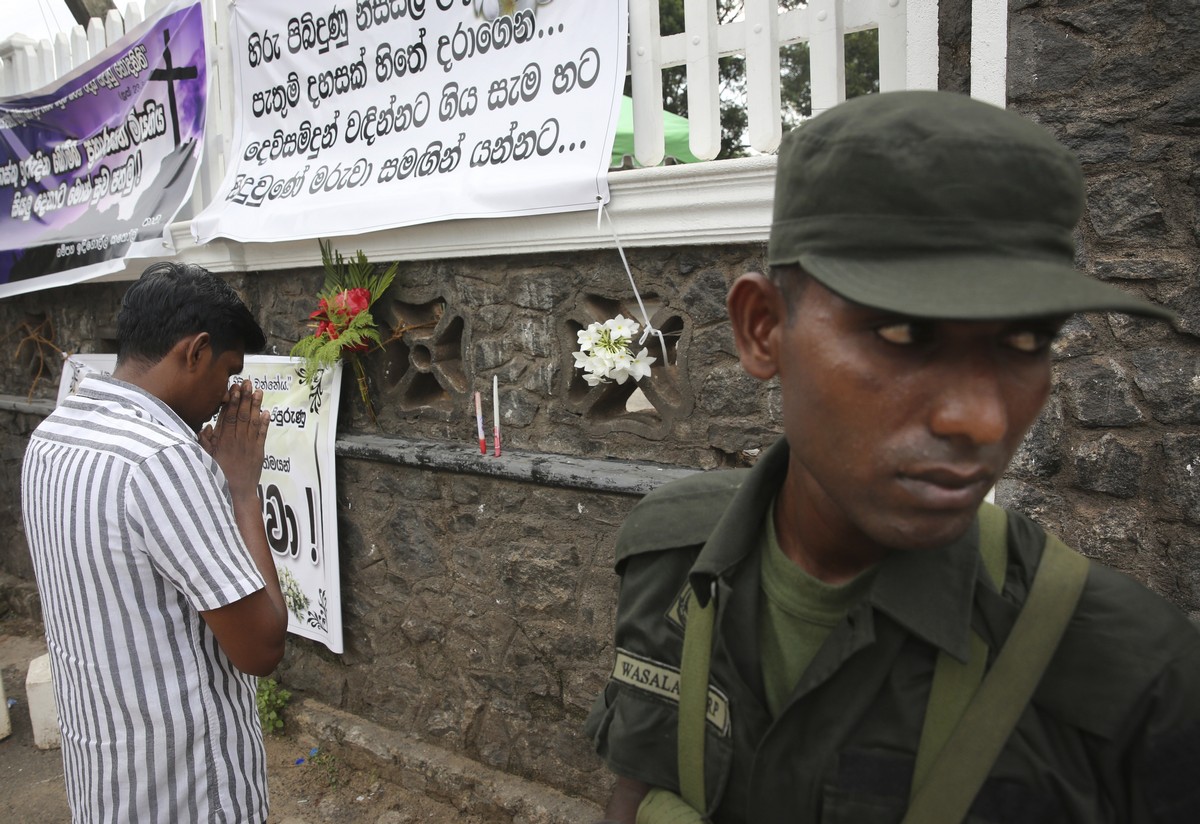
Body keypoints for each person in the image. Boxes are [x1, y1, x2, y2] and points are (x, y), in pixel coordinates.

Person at [584, 90, 1200, 823]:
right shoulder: (669, 560)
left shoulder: (1140, 682)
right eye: (906, 334)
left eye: (1026, 342)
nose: (981, 418)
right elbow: (639, 784)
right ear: (762, 329)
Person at [21, 262, 288, 823]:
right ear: (195, 352)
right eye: (229, 372)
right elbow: (261, 648)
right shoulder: (164, 459)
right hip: (186, 793)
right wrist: (240, 489)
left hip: (104, 782)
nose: (227, 397)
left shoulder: (53, 435)